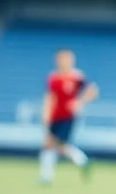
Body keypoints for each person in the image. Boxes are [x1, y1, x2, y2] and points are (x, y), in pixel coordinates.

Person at [38, 49, 98, 185]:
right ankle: (47, 176)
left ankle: (81, 160)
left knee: (55, 143)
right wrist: (45, 114)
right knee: (51, 144)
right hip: (54, 116)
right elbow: (49, 97)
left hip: (68, 116)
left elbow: (92, 90)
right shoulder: (53, 77)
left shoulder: (76, 76)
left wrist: (78, 101)